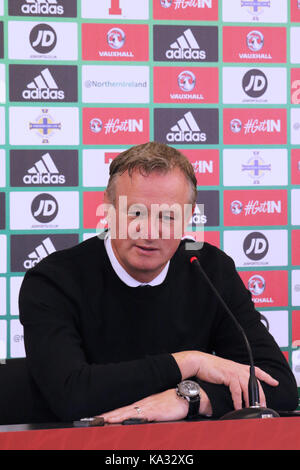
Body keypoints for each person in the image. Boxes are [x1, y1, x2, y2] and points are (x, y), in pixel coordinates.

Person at [19, 142, 298, 423]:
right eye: (136, 213)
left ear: (189, 217)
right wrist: (191, 362)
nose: (150, 232)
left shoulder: (211, 270)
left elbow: (280, 388)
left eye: (168, 216)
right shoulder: (54, 280)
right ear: (109, 207)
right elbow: (71, 395)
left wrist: (191, 398)